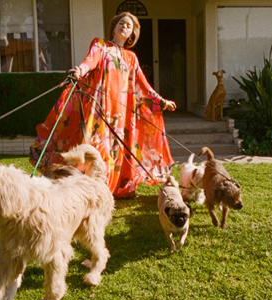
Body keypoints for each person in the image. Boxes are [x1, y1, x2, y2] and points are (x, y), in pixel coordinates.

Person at [29, 12, 177, 198]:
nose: (124, 26)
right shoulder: (100, 45)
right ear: (114, 27)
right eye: (121, 23)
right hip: (98, 111)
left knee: (117, 152)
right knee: (95, 150)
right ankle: (86, 190)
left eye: (128, 26)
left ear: (132, 34)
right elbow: (89, 62)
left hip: (121, 115)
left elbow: (143, 86)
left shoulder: (131, 58)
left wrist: (162, 101)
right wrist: (79, 71)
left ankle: (111, 190)